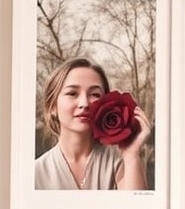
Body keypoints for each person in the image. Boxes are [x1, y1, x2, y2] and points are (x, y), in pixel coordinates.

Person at [35, 57, 152, 191]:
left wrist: (132, 154)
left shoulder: (119, 163)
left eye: (95, 94)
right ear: (52, 106)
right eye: (72, 93)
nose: (84, 103)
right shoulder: (34, 173)